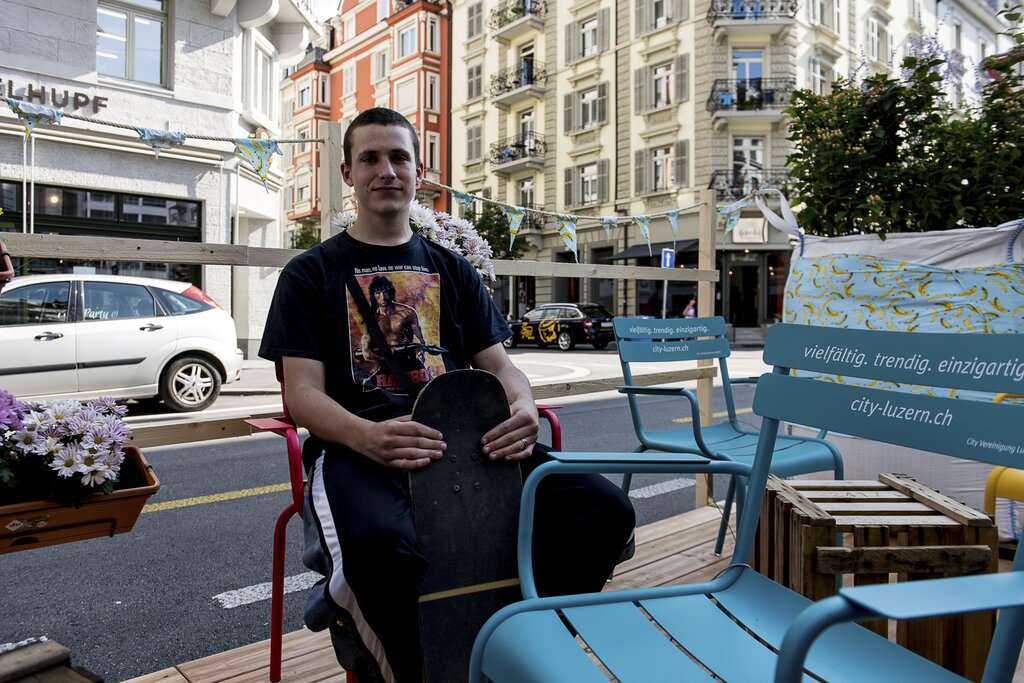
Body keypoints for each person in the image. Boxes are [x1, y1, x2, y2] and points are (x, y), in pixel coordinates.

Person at [259, 108, 635, 683]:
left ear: (418, 171)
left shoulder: (453, 271)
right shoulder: (310, 273)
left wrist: (524, 409)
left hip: (471, 443)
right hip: (361, 450)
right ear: (347, 173)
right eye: (370, 158)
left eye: (399, 157)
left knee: (603, 511)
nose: (386, 170)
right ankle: (398, 653)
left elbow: (502, 367)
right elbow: (301, 395)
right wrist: (368, 436)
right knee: (382, 553)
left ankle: (513, 640)